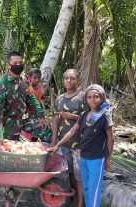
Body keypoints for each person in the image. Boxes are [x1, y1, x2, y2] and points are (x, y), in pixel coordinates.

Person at [48, 84, 114, 207]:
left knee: (94, 191)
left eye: (96, 97)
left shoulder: (104, 115)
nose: (93, 99)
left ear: (102, 98)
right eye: (89, 97)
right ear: (86, 99)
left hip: (96, 159)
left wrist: (108, 158)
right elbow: (72, 131)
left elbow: (111, 137)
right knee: (87, 188)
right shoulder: (84, 115)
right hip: (83, 157)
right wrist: (58, 144)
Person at [0, 51, 46, 142]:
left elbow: (32, 99)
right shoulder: (2, 83)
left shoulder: (23, 82)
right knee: (11, 149)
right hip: (9, 124)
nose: (18, 65)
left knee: (45, 128)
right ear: (8, 65)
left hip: (22, 120)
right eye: (15, 63)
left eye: (20, 63)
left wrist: (41, 116)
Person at [51, 69, 85, 207]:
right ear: (63, 80)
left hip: (80, 144)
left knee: (80, 175)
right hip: (64, 144)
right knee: (70, 172)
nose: (69, 81)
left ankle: (81, 203)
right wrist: (54, 141)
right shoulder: (59, 99)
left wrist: (72, 117)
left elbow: (90, 118)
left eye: (72, 78)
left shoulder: (83, 97)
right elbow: (55, 121)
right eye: (66, 78)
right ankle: (74, 198)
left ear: (78, 80)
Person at [23, 68, 51, 142]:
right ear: (29, 78)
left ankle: (34, 143)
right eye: (35, 78)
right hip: (30, 112)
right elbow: (29, 99)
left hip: (38, 111)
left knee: (39, 129)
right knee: (34, 129)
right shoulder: (28, 87)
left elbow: (39, 96)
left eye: (39, 78)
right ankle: (31, 143)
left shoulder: (39, 86)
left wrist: (45, 97)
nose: (37, 80)